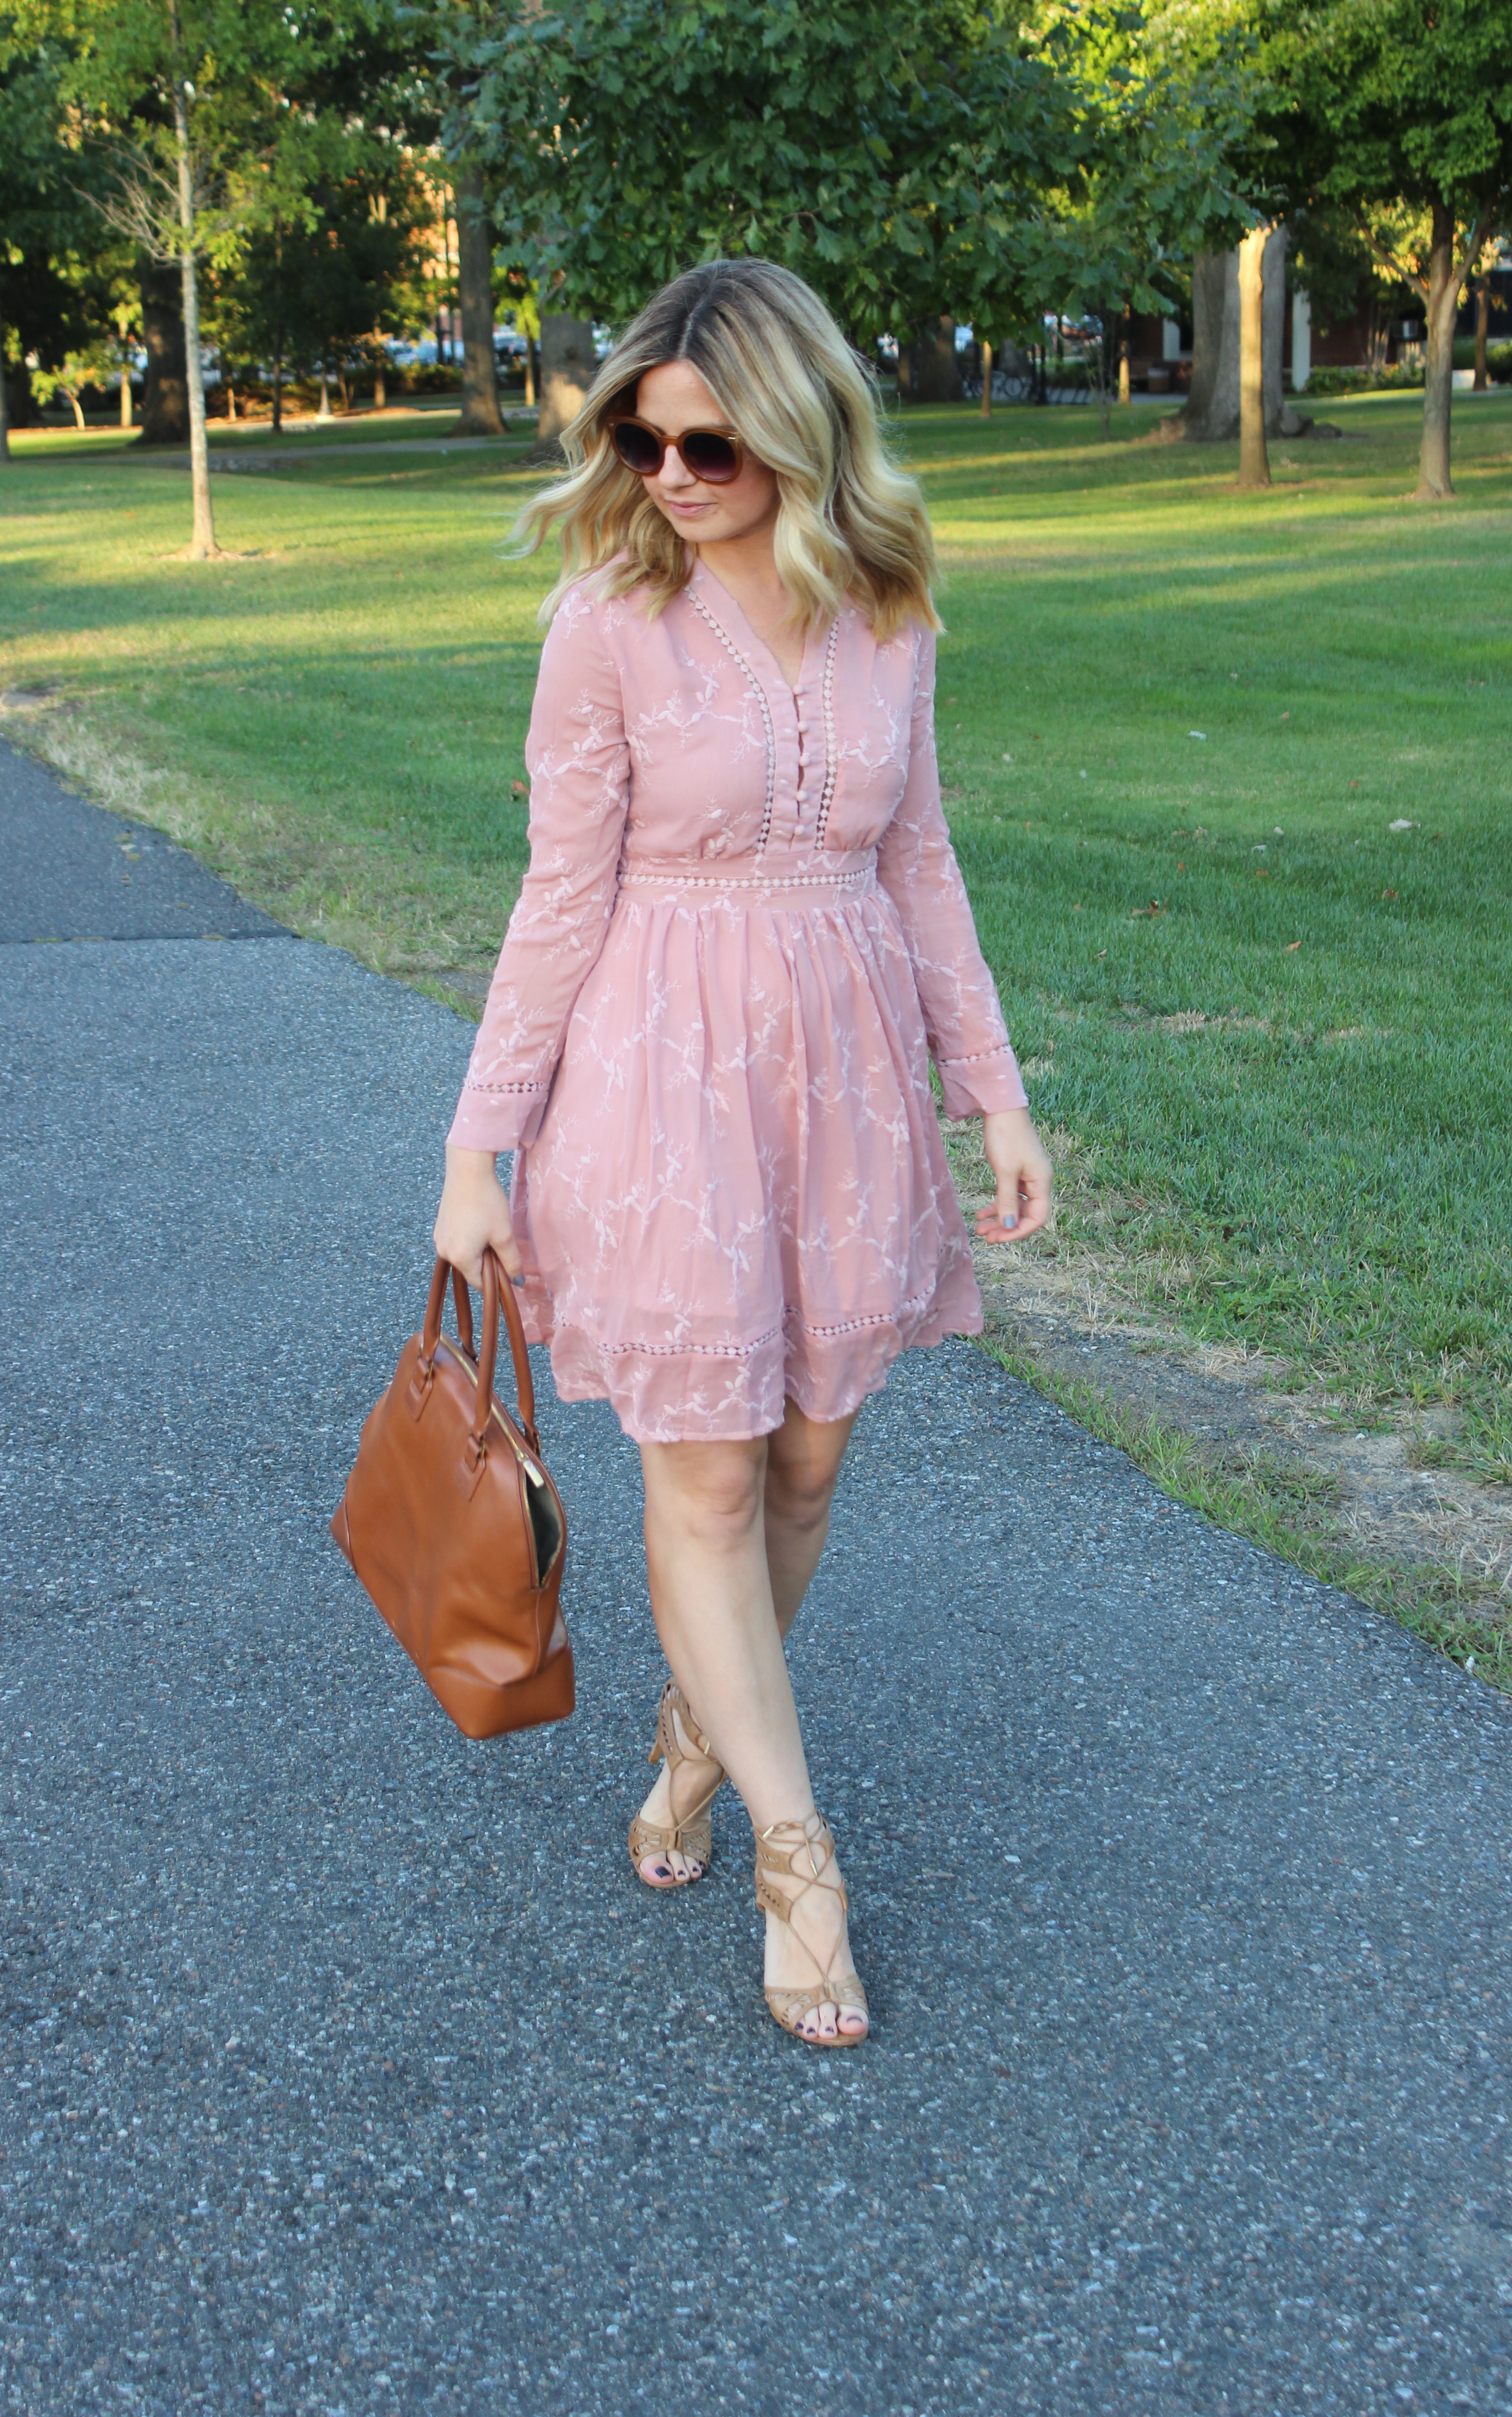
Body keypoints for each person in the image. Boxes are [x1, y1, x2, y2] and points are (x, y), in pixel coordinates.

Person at [434, 258, 1051, 2048]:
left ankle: (704, 1728)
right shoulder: (604, 628)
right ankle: (801, 1858)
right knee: (702, 1482)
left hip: (843, 1078)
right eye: (640, 439)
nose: (670, 475)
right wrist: (479, 1153)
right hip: (661, 1086)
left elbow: (919, 864)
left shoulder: (889, 610)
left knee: (802, 1468)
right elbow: (557, 903)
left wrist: (992, 1091)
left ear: (798, 429)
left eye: (708, 443)